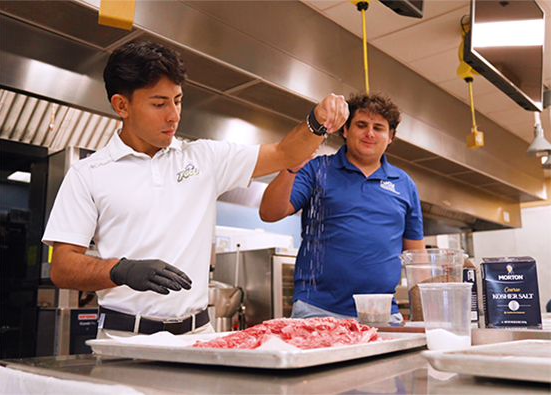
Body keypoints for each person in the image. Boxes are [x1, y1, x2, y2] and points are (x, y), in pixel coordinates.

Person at [42, 41, 348, 338]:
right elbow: (63, 267)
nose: (174, 115)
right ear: (122, 105)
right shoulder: (89, 173)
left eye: (177, 100)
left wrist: (317, 121)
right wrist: (120, 270)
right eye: (159, 104)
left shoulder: (204, 158)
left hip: (197, 336)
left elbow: (285, 154)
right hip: (125, 338)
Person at [259, 92, 425, 323]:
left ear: (390, 136)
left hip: (383, 313)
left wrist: (426, 313)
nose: (370, 133)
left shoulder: (404, 183)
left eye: (378, 127)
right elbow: (269, 213)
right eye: (361, 125)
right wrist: (290, 168)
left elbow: (417, 256)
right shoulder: (318, 169)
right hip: (317, 310)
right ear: (345, 130)